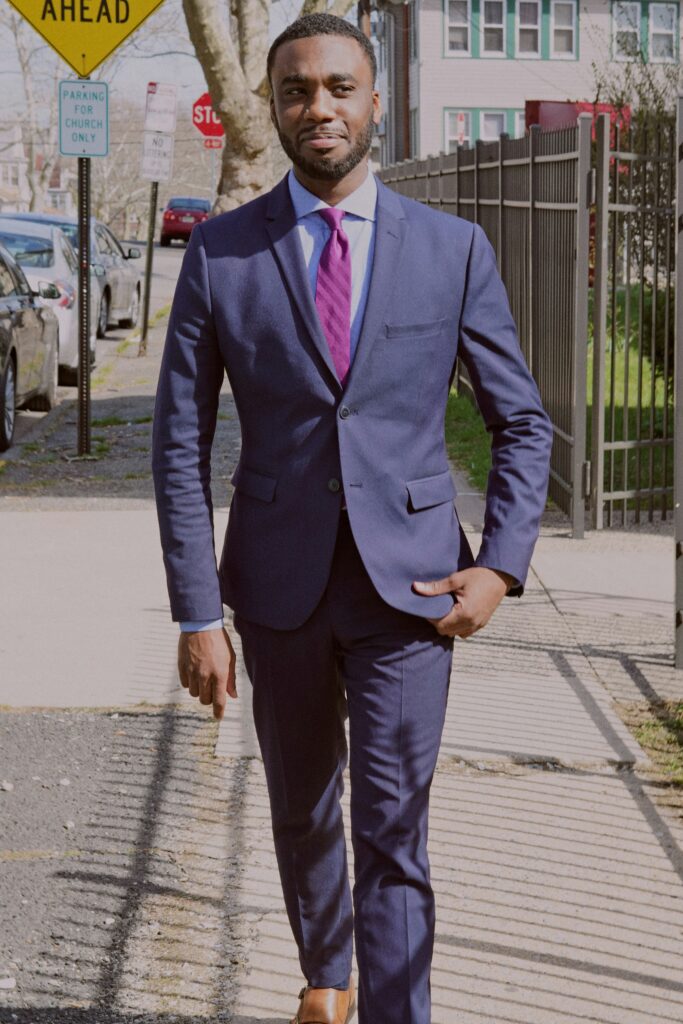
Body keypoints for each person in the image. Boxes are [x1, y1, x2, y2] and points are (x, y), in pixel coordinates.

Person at [152, 13, 553, 1024]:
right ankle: (325, 973)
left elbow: (520, 421)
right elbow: (176, 443)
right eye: (296, 90)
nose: (317, 106)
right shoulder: (221, 253)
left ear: (374, 102)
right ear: (273, 108)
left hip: (412, 589)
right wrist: (197, 613)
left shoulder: (451, 249)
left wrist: (499, 565)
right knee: (298, 810)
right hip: (277, 590)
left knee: (390, 826)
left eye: (338, 86)